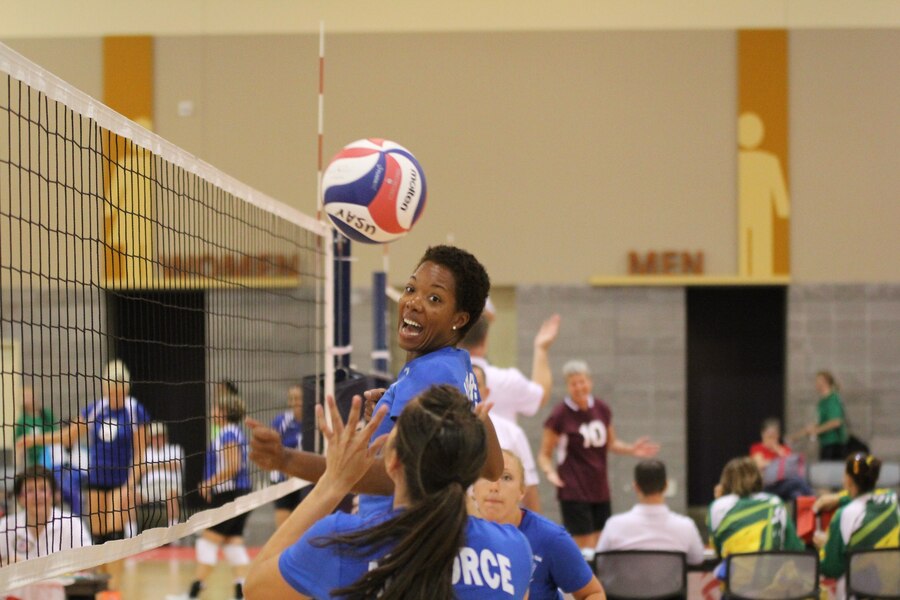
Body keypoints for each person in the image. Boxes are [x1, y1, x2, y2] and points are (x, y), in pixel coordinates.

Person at [247, 245, 502, 515]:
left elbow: (399, 478)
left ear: (459, 319)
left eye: (435, 299)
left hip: (394, 535)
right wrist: (398, 410)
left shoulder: (429, 374)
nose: (413, 302)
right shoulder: (458, 366)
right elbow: (492, 467)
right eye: (411, 289)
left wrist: (286, 458)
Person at [246, 385, 534, 599]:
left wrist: (333, 482)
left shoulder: (344, 541)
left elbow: (256, 587)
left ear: (392, 463)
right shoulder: (514, 549)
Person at [18, 359, 149, 594]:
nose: (115, 396)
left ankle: (114, 589)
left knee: (114, 537)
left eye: (119, 391)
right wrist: (36, 439)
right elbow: (68, 437)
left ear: (126, 389)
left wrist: (131, 484)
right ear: (105, 388)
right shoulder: (95, 408)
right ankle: (100, 587)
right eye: (111, 391)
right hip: (96, 479)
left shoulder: (134, 410)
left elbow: (140, 453)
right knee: (98, 538)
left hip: (120, 481)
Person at [538, 360, 659, 557]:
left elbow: (611, 443)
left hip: (599, 488)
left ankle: (599, 587)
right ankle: (582, 587)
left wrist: (632, 449)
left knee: (602, 543)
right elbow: (544, 454)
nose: (579, 387)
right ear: (568, 386)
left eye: (582, 382)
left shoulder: (601, 408)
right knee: (584, 547)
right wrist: (549, 472)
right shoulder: (560, 414)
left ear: (590, 382)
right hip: (574, 489)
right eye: (573, 383)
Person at [473, 449, 606, 600]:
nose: (494, 486)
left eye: (506, 477)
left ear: (522, 490)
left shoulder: (550, 538)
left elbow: (593, 593)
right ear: (472, 488)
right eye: (486, 475)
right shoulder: (456, 535)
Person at [171, 390, 252, 600]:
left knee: (207, 541)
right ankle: (242, 592)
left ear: (224, 412)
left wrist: (209, 483)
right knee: (233, 542)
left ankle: (193, 593)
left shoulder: (228, 433)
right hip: (237, 493)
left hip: (230, 495)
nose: (212, 411)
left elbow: (233, 466)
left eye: (216, 408)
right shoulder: (231, 432)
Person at [0, 466, 93, 597]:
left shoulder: (72, 523)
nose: (37, 496)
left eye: (43, 489)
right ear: (20, 498)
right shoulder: (7, 525)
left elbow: (89, 564)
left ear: (55, 495)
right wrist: (6, 564)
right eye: (30, 490)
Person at [814, 453, 899, 594]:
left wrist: (826, 545)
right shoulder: (891, 499)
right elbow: (871, 497)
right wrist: (839, 498)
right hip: (893, 590)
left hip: (859, 593)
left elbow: (832, 569)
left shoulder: (844, 515)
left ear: (848, 480)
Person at [596, 459, 705, 565]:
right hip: (669, 584)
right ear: (666, 485)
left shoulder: (614, 525)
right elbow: (697, 559)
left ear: (636, 487)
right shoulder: (686, 526)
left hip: (625, 584)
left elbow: (600, 562)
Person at [459, 312, 560, 423]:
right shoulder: (508, 380)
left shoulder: (439, 379)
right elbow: (541, 395)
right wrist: (541, 348)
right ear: (486, 339)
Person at [707, 457, 804, 565]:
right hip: (772, 579)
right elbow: (796, 549)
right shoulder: (775, 502)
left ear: (725, 481)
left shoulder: (717, 506)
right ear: (758, 478)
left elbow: (717, 549)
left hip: (735, 580)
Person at [473, 363, 542, 512]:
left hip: (500, 523)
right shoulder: (440, 431)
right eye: (465, 384)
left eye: (476, 384)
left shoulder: (512, 432)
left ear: (486, 391)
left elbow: (529, 486)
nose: (469, 390)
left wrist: (535, 532)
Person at [269, 383, 306, 528]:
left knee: (301, 526)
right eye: (292, 398)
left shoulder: (313, 420)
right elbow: (273, 449)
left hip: (306, 479)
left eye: (299, 398)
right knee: (283, 528)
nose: (295, 402)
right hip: (282, 478)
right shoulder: (281, 421)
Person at [750, 418, 813, 502]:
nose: (772, 438)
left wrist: (777, 449)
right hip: (768, 485)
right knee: (797, 481)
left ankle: (807, 508)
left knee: (796, 494)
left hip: (785, 483)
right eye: (769, 435)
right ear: (763, 434)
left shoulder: (784, 449)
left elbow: (791, 465)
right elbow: (759, 464)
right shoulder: (757, 448)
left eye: (774, 435)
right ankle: (813, 498)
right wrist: (777, 462)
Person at [791, 370, 849, 460]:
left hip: (834, 443)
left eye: (818, 381)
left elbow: (836, 421)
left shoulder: (833, 399)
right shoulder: (822, 402)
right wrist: (796, 436)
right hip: (825, 442)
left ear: (825, 383)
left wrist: (817, 430)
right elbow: (817, 423)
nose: (816, 384)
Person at [138, 422, 184, 529]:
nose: (157, 439)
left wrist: (151, 466)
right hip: (148, 488)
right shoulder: (144, 452)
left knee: (171, 495)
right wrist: (163, 465)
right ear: (149, 438)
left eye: (159, 436)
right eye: (154, 437)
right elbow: (140, 470)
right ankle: (129, 535)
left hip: (170, 486)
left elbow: (175, 465)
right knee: (129, 497)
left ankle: (174, 534)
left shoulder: (175, 449)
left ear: (165, 436)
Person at [13, 385, 56, 470]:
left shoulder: (46, 414)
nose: (27, 399)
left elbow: (56, 432)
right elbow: (18, 443)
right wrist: (17, 465)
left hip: (50, 456)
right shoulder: (22, 420)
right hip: (33, 460)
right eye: (25, 397)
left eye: (29, 396)